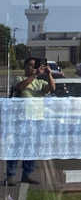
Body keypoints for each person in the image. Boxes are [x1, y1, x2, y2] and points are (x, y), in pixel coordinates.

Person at [5, 57, 55, 185]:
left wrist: (49, 74)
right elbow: (20, 88)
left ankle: (26, 174)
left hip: (37, 119)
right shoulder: (20, 79)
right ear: (25, 67)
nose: (32, 68)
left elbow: (51, 88)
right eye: (30, 65)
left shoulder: (39, 82)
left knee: (32, 148)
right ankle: (11, 175)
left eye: (34, 66)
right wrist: (34, 75)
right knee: (16, 147)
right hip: (21, 120)